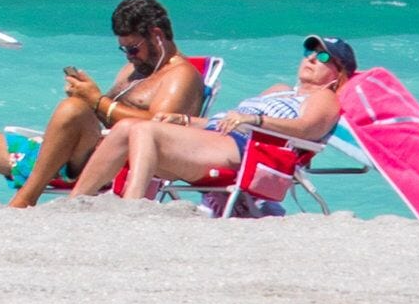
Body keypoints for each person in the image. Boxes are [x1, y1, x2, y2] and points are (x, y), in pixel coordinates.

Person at [0, 0, 207, 209]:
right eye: (123, 49)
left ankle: (25, 199)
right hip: (76, 155)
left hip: (111, 166)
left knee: (74, 109)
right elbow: (106, 114)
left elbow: (158, 130)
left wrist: (93, 101)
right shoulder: (134, 70)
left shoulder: (180, 75)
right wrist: (90, 96)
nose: (129, 56)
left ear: (157, 35)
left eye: (133, 48)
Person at [68, 35, 356, 203]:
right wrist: (183, 120)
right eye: (309, 52)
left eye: (323, 57)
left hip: (248, 152)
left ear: (339, 73)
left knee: (145, 130)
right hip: (215, 139)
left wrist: (255, 120)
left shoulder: (324, 98)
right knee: (127, 126)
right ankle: (75, 201)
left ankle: (131, 206)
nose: (311, 58)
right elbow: (221, 122)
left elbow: (306, 129)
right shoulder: (279, 89)